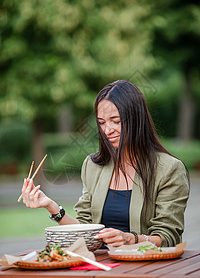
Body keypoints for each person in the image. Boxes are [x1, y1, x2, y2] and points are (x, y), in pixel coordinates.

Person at [21, 80, 189, 248]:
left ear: (136, 119)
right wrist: (52, 207)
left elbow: (168, 237)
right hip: (100, 266)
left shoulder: (169, 169)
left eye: (115, 121)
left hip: (145, 267)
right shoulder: (93, 165)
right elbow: (84, 229)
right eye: (102, 123)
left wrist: (131, 239)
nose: (107, 130)